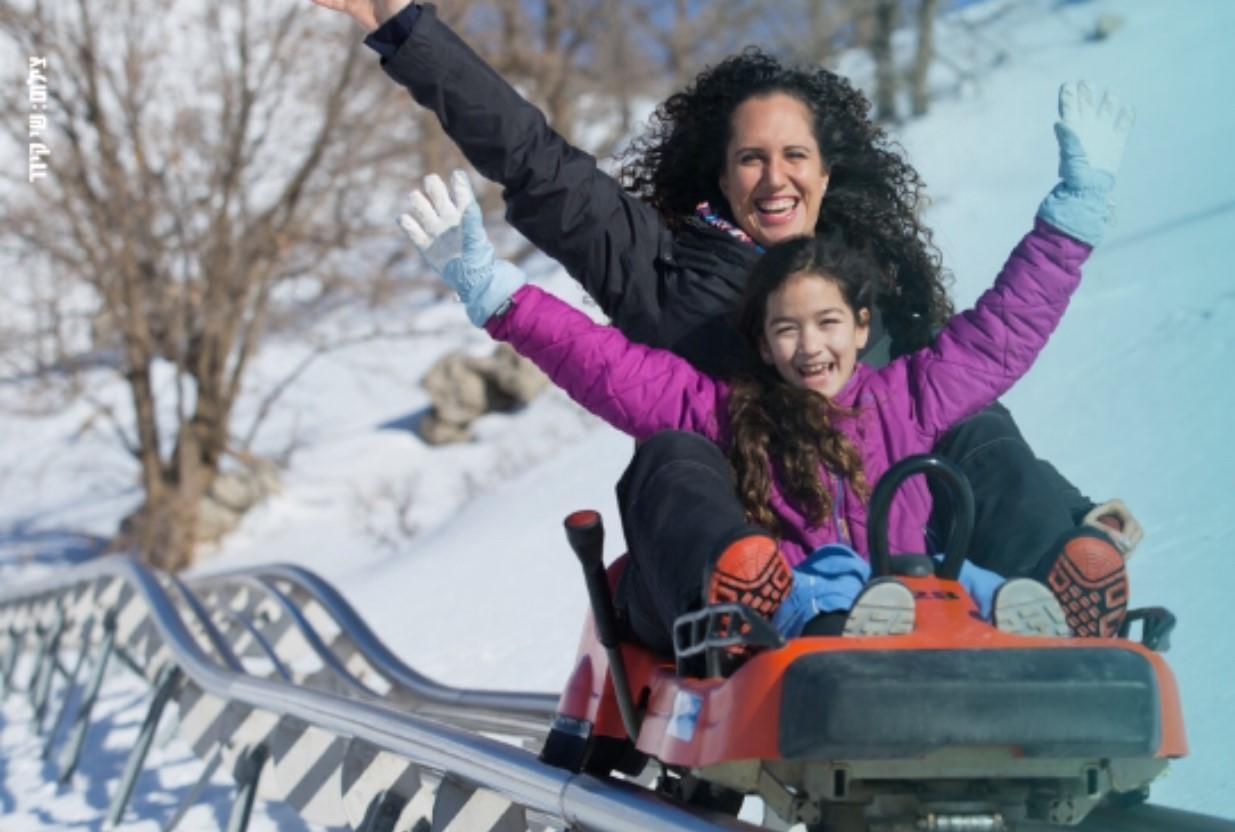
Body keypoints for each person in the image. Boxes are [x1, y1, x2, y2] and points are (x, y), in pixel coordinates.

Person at [308, 0, 1140, 637]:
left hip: (902, 558)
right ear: (720, 172)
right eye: (751, 157)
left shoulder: (872, 288)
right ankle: (754, 589)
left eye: (794, 156)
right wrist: (402, 24)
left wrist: (1068, 510)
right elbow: (536, 166)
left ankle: (1062, 569)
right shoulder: (661, 265)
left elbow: (992, 349)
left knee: (970, 418)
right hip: (727, 552)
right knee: (674, 450)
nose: (774, 178)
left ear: (825, 171)